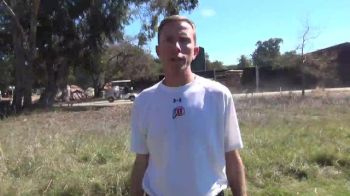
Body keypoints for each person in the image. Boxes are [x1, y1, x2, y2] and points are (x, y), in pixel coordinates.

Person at [130, 15, 247, 196]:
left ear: (196, 51)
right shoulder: (144, 101)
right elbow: (141, 161)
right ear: (158, 50)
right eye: (169, 40)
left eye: (184, 40)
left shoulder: (218, 95)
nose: (177, 48)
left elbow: (232, 157)